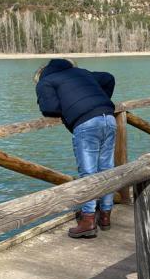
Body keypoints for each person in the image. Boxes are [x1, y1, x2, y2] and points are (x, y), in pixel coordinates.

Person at [34, 58, 117, 239]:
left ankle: (88, 221)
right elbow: (108, 78)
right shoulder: (82, 72)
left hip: (86, 123)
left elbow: (50, 108)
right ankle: (105, 216)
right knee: (107, 170)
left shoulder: (45, 82)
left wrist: (70, 106)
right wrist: (97, 100)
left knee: (88, 173)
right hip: (108, 117)